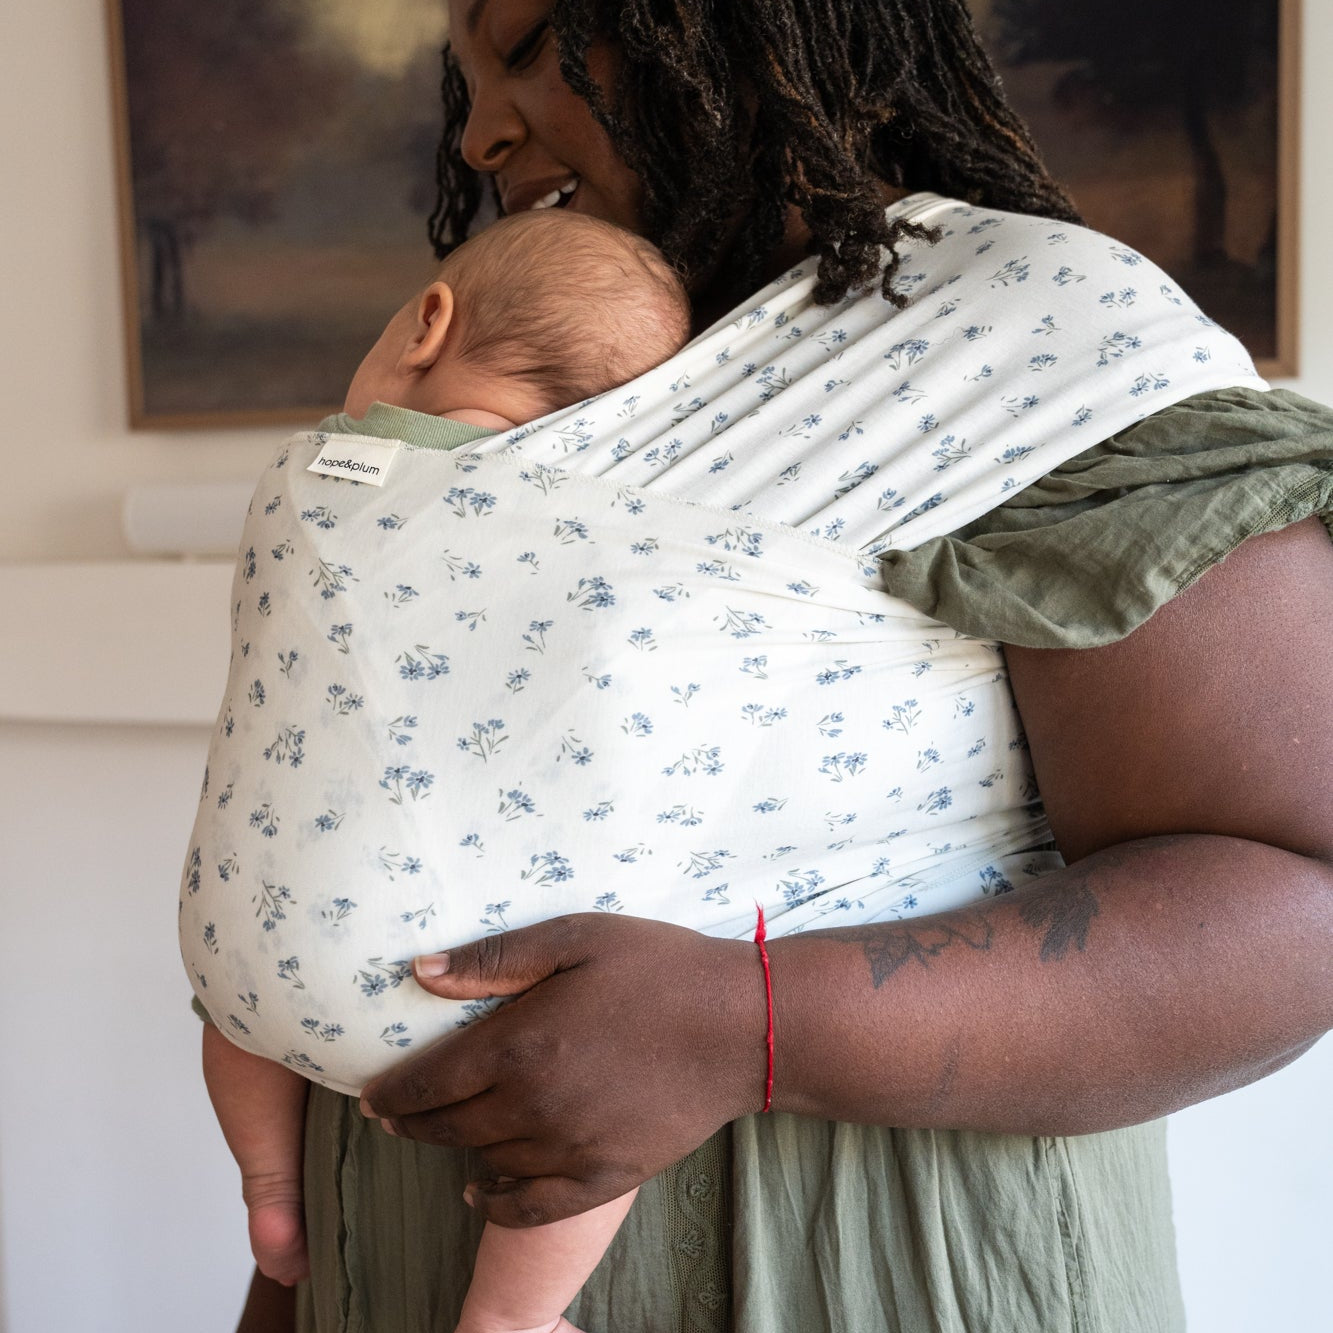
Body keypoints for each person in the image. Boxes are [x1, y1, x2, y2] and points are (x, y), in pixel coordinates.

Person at [234, 3, 1333, 1330]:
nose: (480, 133)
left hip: (876, 1263)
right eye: (462, 82)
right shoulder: (523, 374)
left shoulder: (1029, 340)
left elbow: (1288, 901)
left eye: (525, 48)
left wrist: (742, 1024)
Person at [186, 206, 691, 1333]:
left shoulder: (311, 475)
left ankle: (274, 1203)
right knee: (596, 1127)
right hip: (475, 982)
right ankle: (508, 1319)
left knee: (234, 1007)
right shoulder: (609, 523)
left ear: (427, 324)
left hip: (258, 948)